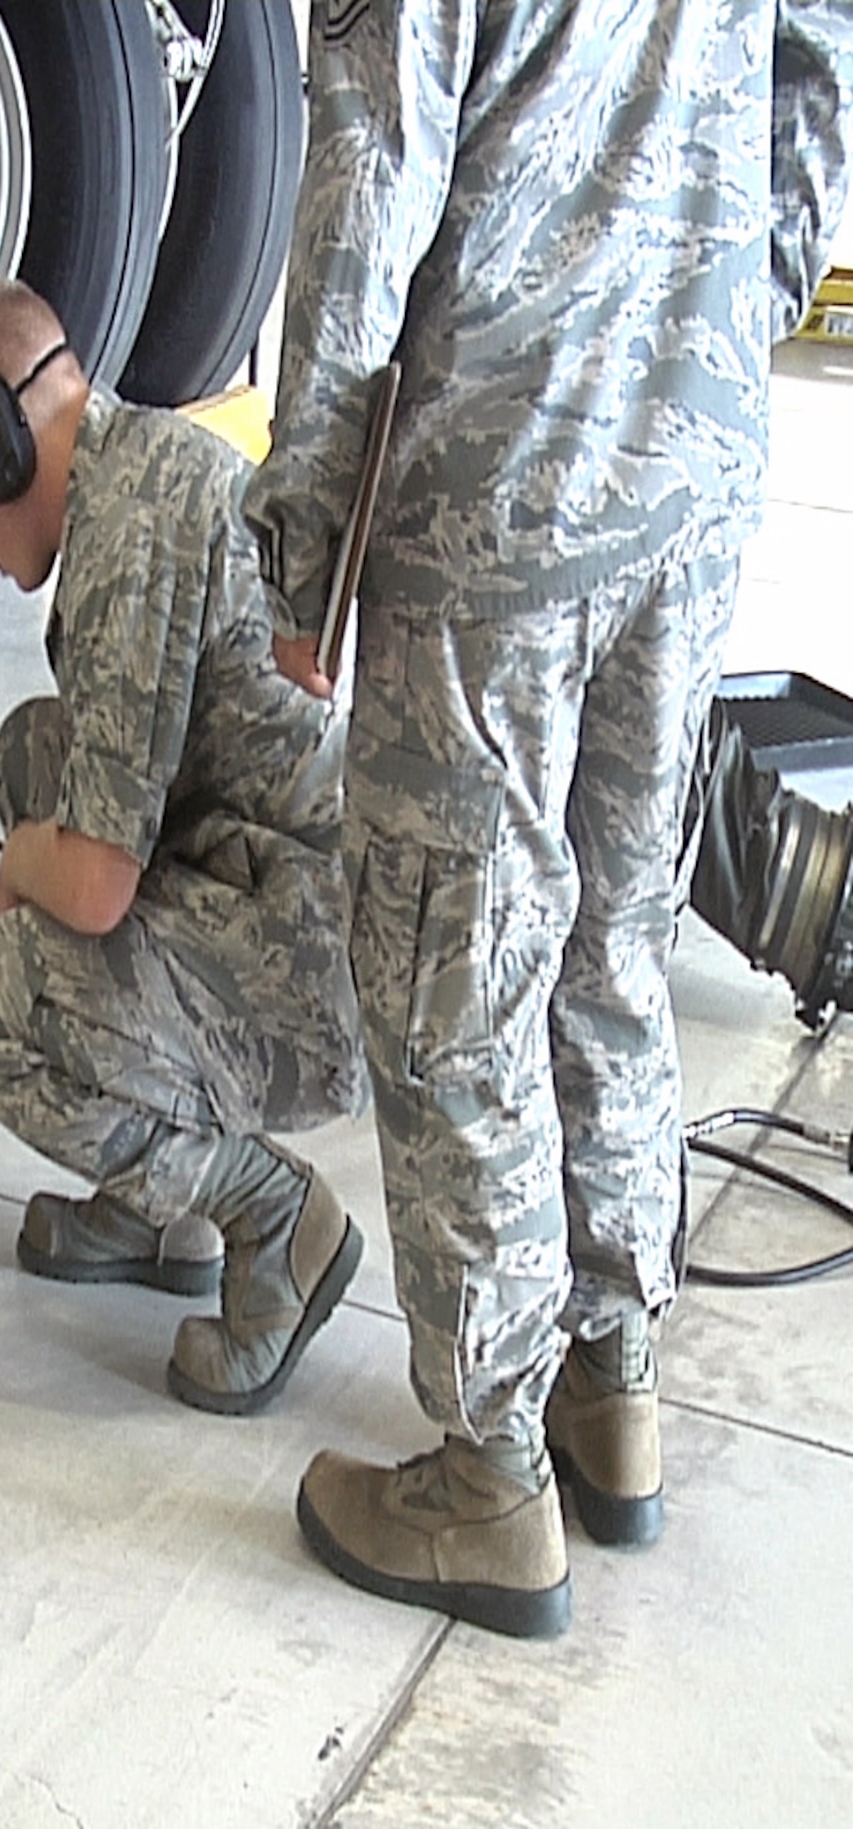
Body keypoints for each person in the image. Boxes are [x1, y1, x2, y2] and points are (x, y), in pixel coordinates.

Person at [243, 1, 853, 1637]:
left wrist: (305, 533)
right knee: (613, 923)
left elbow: (369, 182)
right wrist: (728, 307)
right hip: (694, 451)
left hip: (506, 470)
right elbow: (823, 74)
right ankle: (611, 1373)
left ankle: (488, 1471)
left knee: (451, 957)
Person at [0, 278, 368, 1414]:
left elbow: (95, 887)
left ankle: (268, 1217)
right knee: (36, 754)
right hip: (274, 895)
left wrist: (11, 891)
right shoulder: (135, 474)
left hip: (318, 970)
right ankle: (157, 1204)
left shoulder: (127, 539)